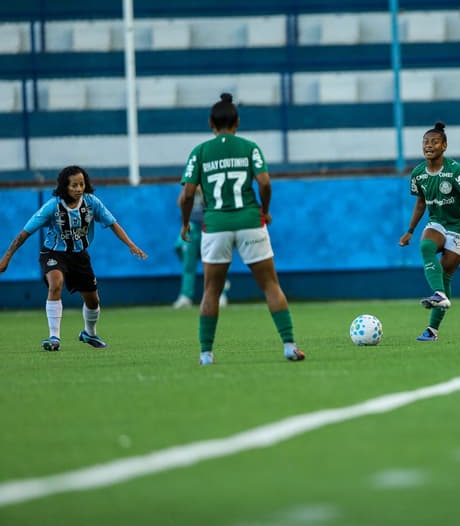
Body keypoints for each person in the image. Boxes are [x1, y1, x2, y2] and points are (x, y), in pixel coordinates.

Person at [180, 93, 305, 365]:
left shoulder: (199, 152)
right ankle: (289, 346)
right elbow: (265, 183)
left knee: (211, 290)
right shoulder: (250, 147)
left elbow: (187, 194)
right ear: (237, 121)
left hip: (216, 226)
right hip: (249, 222)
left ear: (211, 123)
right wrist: (265, 210)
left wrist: (185, 222)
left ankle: (206, 354)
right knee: (270, 285)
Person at [0, 165, 147, 351]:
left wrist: (131, 245)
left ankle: (89, 333)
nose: (78, 189)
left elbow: (113, 224)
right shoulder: (52, 206)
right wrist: (6, 258)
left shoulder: (92, 203)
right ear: (65, 187)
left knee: (93, 301)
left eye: (81, 184)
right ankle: (54, 337)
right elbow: (24, 233)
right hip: (54, 252)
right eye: (74, 185)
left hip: (79, 256)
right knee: (56, 284)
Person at [398, 121, 460, 342]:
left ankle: (432, 330)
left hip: (459, 227)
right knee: (426, 245)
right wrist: (410, 230)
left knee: (445, 275)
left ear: (444, 146)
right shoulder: (418, 174)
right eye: (425, 142)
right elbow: (421, 203)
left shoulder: (455, 170)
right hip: (436, 222)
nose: (429, 145)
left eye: (434, 142)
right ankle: (439, 295)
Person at [172, 186, 229, 309]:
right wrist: (188, 190)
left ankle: (220, 294)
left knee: (214, 263)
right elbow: (180, 202)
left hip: (209, 226)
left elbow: (213, 203)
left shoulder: (209, 182)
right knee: (188, 264)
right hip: (192, 228)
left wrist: (202, 189)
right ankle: (186, 296)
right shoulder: (190, 183)